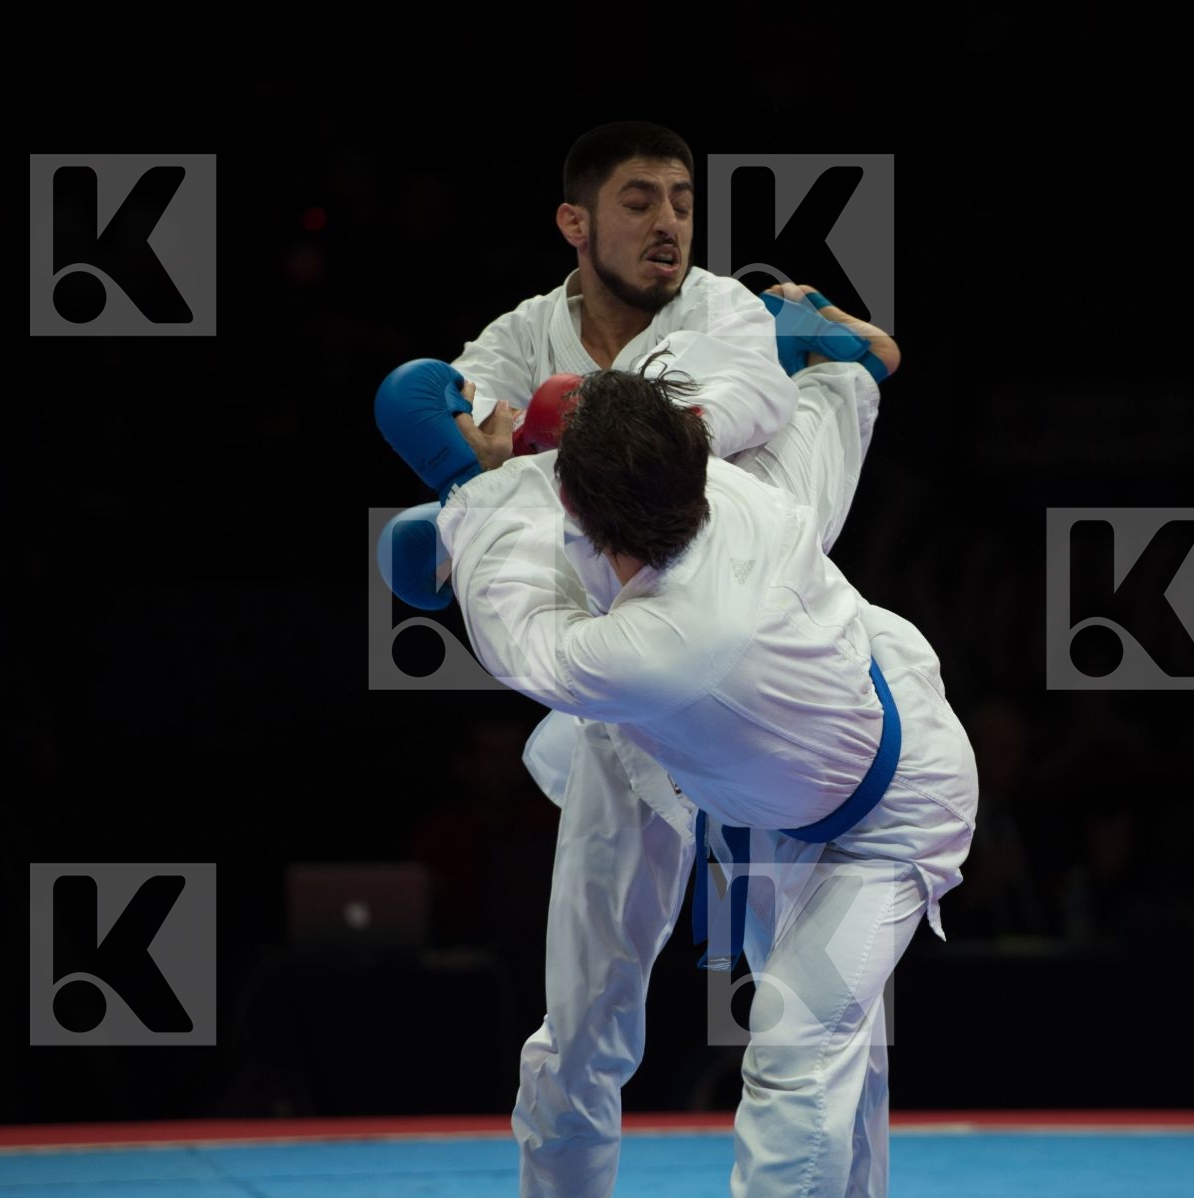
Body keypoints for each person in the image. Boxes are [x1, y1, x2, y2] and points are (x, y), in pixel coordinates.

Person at [374, 120, 901, 1196]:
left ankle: (843, 369)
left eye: (681, 200)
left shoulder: (726, 313)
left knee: (822, 1025)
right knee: (584, 1022)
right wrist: (494, 469)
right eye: (639, 201)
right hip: (632, 704)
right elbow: (461, 427)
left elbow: (704, 426)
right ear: (576, 222)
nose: (668, 223)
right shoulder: (519, 338)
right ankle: (846, 366)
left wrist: (521, 457)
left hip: (765, 691)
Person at [391, 329, 977, 1194]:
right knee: (837, 1062)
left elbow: (519, 625)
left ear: (576, 507)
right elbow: (802, 455)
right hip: (791, 770)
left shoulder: (653, 646)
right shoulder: (730, 490)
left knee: (796, 1050)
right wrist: (838, 376)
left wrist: (467, 493)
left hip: (889, 822)